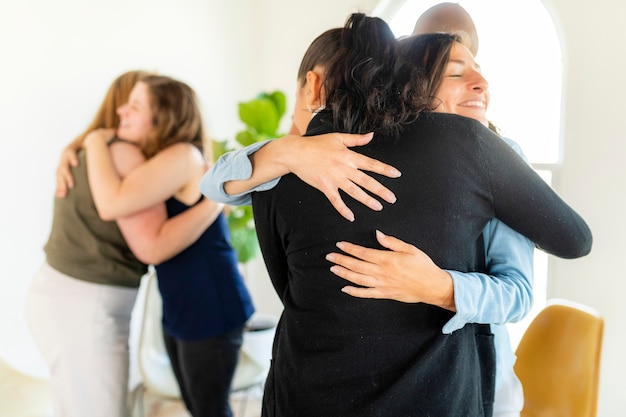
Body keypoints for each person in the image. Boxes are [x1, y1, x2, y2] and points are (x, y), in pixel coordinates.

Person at [250, 13, 591, 416]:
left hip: (316, 392)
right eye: (454, 72)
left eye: (479, 68)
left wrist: (441, 287)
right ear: (413, 82)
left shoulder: (277, 168)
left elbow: (287, 287)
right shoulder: (289, 160)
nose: (482, 84)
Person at [26, 71, 224, 417]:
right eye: (129, 103)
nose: (124, 112)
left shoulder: (96, 149)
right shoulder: (123, 154)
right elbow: (148, 244)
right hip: (87, 305)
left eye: (136, 106)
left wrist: (87, 142)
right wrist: (216, 200)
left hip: (58, 294)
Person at [67, 75, 256, 417]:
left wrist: (95, 140)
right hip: (184, 308)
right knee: (199, 406)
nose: (121, 110)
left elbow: (110, 204)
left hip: (210, 307)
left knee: (210, 410)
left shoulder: (182, 155)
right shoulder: (165, 158)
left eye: (135, 106)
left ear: (163, 119)